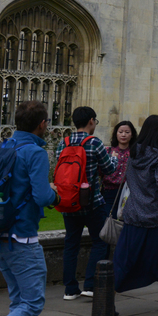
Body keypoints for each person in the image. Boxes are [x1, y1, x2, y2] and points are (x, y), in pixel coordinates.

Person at [0, 101, 59, 316]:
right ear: (42, 124)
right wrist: (55, 195)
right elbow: (42, 197)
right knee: (32, 303)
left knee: (18, 302)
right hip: (22, 236)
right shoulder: (35, 153)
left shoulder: (1, 147)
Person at [113, 115, 158, 311]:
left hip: (134, 214)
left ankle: (107, 300)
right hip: (156, 216)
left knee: (124, 259)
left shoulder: (133, 153)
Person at [56, 106, 118, 300]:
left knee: (71, 244)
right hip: (92, 202)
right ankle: (90, 284)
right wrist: (114, 159)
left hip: (69, 202)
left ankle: (70, 289)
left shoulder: (63, 143)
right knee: (100, 242)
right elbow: (109, 169)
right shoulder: (94, 142)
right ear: (91, 120)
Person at [104, 120, 136, 216]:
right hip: (108, 192)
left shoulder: (135, 153)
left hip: (127, 192)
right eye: (120, 132)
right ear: (116, 134)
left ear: (132, 135)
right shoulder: (107, 151)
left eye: (127, 132)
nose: (123, 135)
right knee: (109, 222)